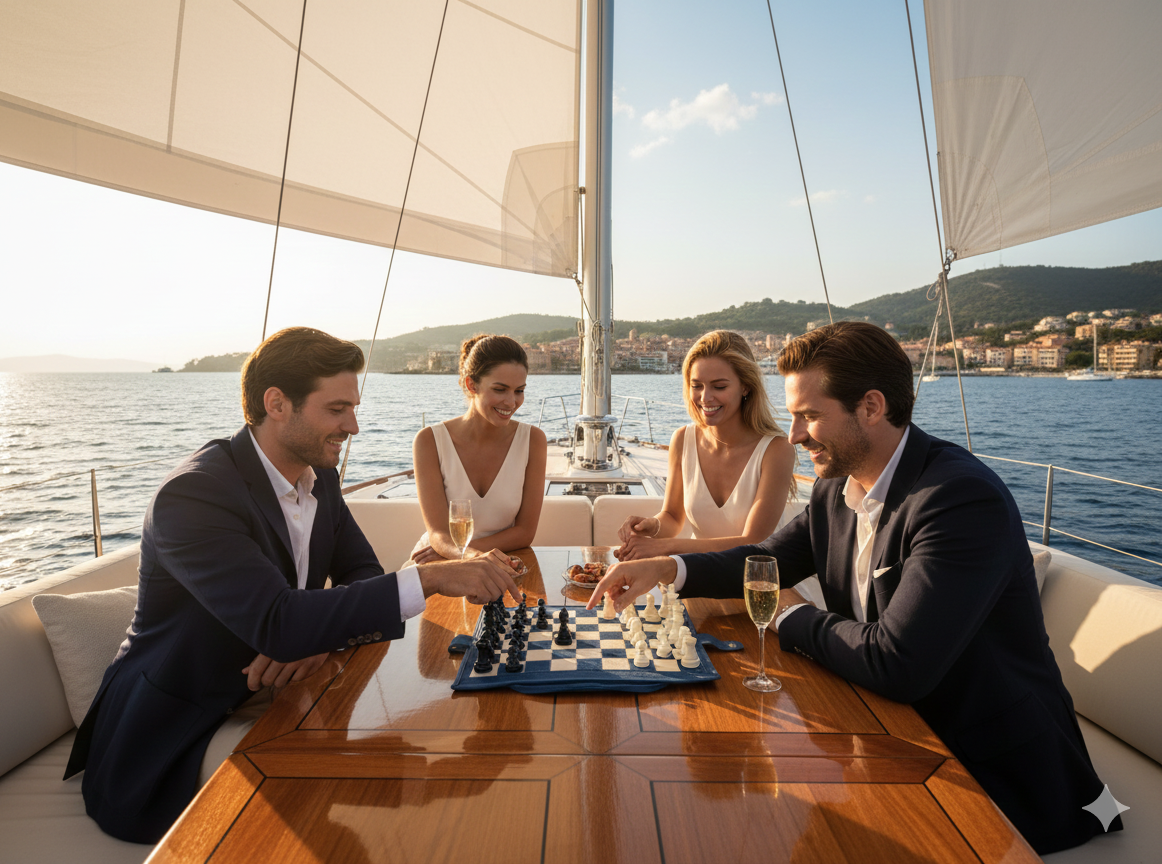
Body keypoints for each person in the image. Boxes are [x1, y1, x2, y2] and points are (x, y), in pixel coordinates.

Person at [589, 322, 1115, 854]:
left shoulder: (958, 500)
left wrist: (787, 615)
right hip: (881, 734)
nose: (793, 435)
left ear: (870, 407)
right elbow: (766, 560)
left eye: (810, 416)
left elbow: (898, 663)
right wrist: (669, 571)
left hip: (991, 778)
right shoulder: (836, 487)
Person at [65, 327, 521, 843]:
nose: (353, 426)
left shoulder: (318, 476)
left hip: (286, 697)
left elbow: (362, 574)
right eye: (337, 409)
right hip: (179, 729)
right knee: (368, 796)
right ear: (276, 404)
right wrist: (432, 577)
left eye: (353, 408)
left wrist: (313, 637)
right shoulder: (193, 496)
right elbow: (280, 623)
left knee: (417, 767)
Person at [615, 330, 794, 561]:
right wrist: (651, 525)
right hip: (699, 576)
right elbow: (672, 516)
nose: (705, 397)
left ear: (746, 387)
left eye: (719, 387)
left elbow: (753, 542)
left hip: (762, 584)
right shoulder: (682, 439)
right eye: (696, 385)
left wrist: (663, 548)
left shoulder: (777, 449)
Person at [409, 334, 547, 563]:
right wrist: (462, 555)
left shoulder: (533, 440)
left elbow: (525, 532)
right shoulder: (429, 441)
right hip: (436, 561)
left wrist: (466, 553)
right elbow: (438, 534)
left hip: (495, 561)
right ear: (471, 384)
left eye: (519, 391)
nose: (511, 402)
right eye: (500, 389)